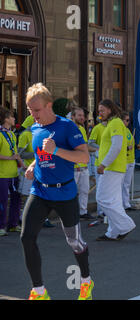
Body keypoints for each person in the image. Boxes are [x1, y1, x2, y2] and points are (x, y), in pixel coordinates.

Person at [21, 83, 93, 300]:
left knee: (75, 242)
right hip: (40, 191)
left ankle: (86, 282)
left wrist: (57, 150)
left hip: (65, 194)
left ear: (49, 105)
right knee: (26, 238)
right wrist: (34, 165)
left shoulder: (68, 127)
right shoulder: (35, 128)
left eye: (37, 110)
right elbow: (40, 154)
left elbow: (84, 157)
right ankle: (39, 292)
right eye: (30, 110)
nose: (33, 115)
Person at [95, 99, 136, 241]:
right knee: (114, 201)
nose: (99, 113)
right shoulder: (113, 124)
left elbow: (117, 146)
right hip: (113, 168)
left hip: (112, 168)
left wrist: (103, 164)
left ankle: (125, 225)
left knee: (102, 198)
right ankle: (113, 232)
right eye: (99, 110)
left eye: (102, 110)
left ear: (110, 110)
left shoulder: (116, 123)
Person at [0, 107, 23, 236]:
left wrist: (24, 165)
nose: (14, 119)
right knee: (2, 201)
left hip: (14, 173)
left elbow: (15, 153)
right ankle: (1, 226)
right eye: (12, 117)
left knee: (16, 199)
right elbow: (10, 155)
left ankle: (13, 224)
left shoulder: (12, 134)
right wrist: (10, 158)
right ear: (6, 119)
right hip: (2, 174)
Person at [72, 108, 95, 220]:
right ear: (73, 116)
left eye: (83, 116)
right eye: (79, 115)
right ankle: (70, 214)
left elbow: (85, 146)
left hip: (83, 166)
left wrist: (97, 151)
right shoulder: (68, 129)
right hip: (72, 167)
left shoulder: (82, 129)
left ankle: (83, 212)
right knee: (71, 193)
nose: (82, 118)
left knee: (84, 191)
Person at [121, 112, 138, 210]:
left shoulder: (128, 130)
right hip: (124, 161)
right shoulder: (120, 130)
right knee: (121, 184)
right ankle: (120, 205)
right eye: (126, 120)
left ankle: (126, 204)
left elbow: (130, 143)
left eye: (129, 120)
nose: (128, 122)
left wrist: (136, 146)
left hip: (131, 160)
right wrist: (127, 148)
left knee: (127, 184)